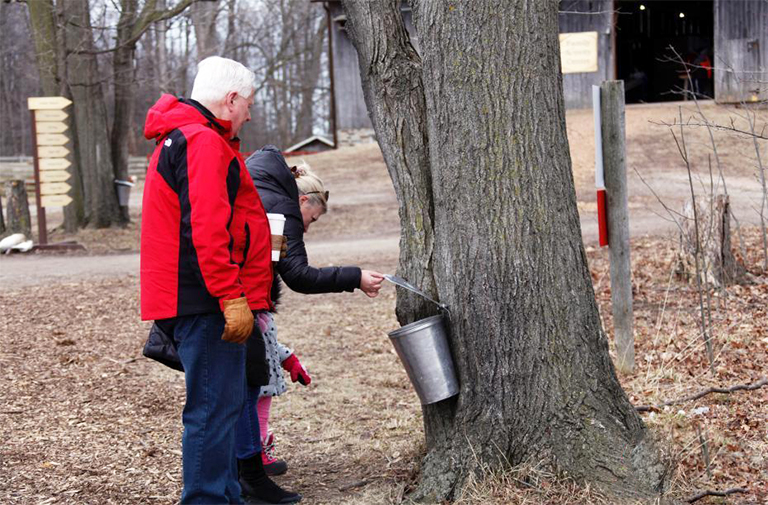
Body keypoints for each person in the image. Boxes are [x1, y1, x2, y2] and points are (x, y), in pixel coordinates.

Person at [140, 56, 299, 504]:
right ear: (230, 100)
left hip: (200, 297)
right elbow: (206, 231)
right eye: (248, 103)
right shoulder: (201, 143)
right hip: (206, 302)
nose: (249, 113)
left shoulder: (192, 139)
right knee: (212, 411)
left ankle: (225, 496)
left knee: (224, 408)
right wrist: (232, 297)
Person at [236, 145, 384, 476]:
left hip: (246, 305)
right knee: (246, 394)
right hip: (244, 307)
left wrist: (286, 357)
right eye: (312, 219)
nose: (307, 228)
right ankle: (249, 469)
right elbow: (299, 275)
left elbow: (273, 264)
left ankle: (248, 468)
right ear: (303, 201)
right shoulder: (283, 209)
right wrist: (355, 277)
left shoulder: (264, 197)